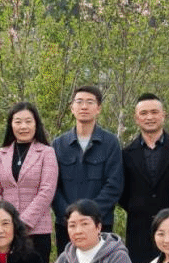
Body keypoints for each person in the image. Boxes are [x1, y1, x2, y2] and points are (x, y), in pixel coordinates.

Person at [119, 93, 169, 263]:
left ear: (163, 115)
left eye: (154, 112)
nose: (149, 117)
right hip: (139, 228)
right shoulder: (126, 154)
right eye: (144, 113)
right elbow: (122, 192)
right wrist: (138, 207)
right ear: (136, 118)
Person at [52, 85, 124, 254]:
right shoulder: (59, 144)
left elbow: (114, 185)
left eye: (90, 102)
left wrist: (90, 217)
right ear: (72, 108)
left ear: (98, 108)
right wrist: (70, 217)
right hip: (67, 225)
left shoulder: (110, 143)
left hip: (100, 224)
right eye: (79, 102)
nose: (84, 106)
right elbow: (52, 187)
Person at [0, 102, 58, 263]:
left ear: (36, 124)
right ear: (11, 125)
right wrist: (5, 221)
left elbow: (47, 191)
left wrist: (22, 223)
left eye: (28, 121)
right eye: (18, 122)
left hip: (37, 230)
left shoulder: (47, 153)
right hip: (4, 232)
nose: (23, 126)